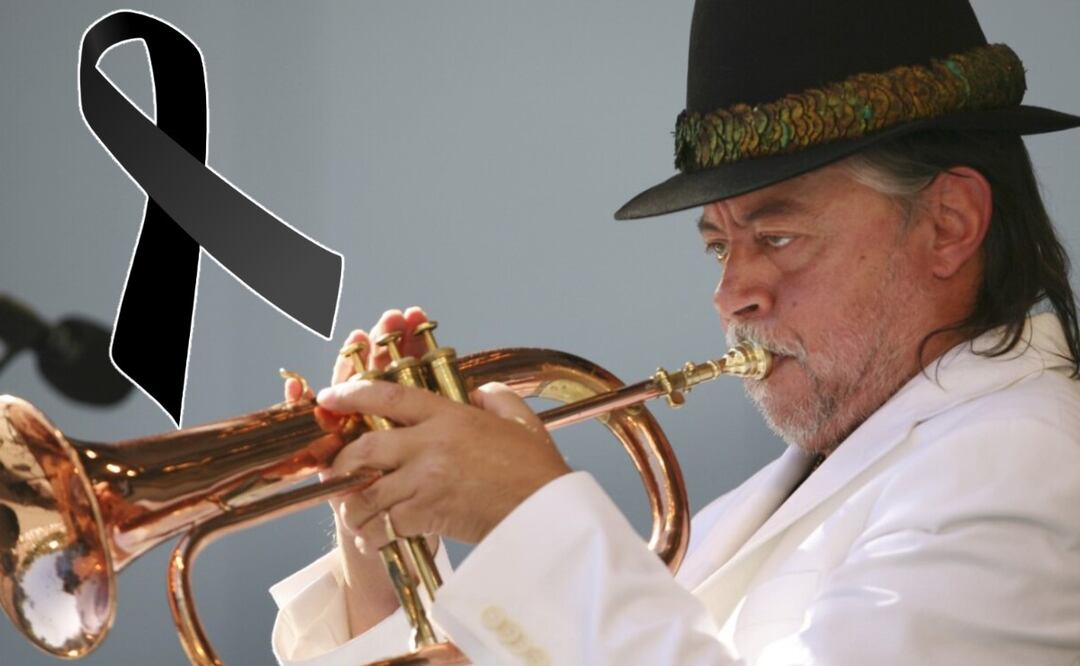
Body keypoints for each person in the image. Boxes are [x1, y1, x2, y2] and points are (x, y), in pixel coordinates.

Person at [271, 0, 1080, 663]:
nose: (733, 293)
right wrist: (380, 564)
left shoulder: (1027, 462)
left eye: (779, 237)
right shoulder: (766, 503)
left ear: (949, 223)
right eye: (719, 245)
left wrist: (528, 519)